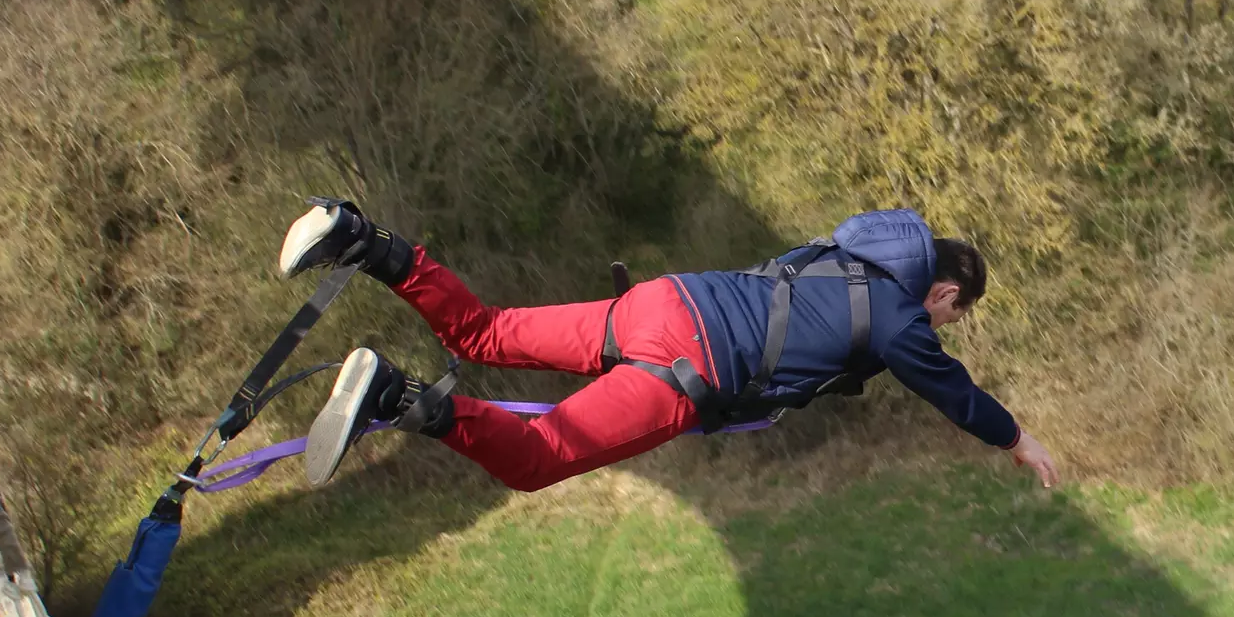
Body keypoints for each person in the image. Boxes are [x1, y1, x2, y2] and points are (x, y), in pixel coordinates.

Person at [279, 199, 1059, 492]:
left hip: (662, 302)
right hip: (685, 371)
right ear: (946, 294)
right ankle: (393, 396)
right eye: (952, 317)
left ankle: (361, 238)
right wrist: (1017, 439)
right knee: (536, 456)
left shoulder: (845, 258)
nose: (941, 329)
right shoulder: (901, 318)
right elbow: (954, 393)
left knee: (479, 331)